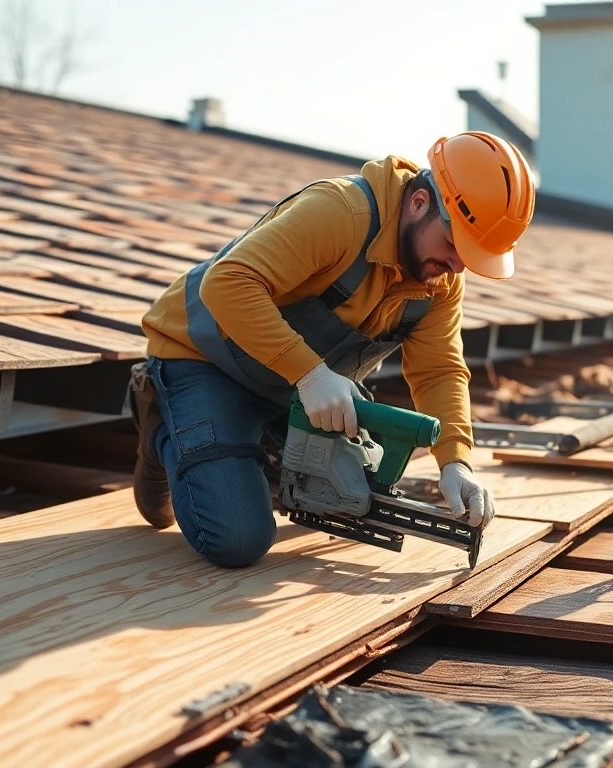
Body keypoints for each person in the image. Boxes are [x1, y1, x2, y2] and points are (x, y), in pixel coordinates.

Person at [128, 132, 536, 567]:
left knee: (351, 493)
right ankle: (163, 433)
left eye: (471, 257)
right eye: (455, 246)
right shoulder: (341, 212)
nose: (457, 266)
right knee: (236, 539)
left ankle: (249, 451)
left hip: (295, 387)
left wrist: (456, 462)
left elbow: (439, 371)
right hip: (206, 361)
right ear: (419, 202)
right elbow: (227, 283)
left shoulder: (440, 278)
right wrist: (311, 374)